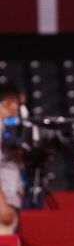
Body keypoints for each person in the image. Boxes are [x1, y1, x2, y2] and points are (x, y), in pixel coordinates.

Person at [0, 82, 25, 235]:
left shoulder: (6, 129)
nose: (20, 109)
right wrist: (1, 205)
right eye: (19, 104)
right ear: (9, 103)